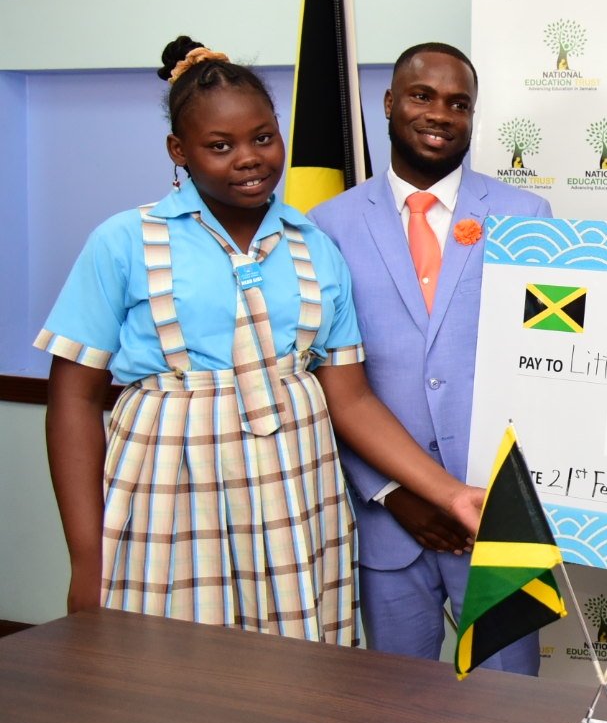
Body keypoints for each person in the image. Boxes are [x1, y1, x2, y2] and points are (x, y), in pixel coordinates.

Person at [37, 37, 483, 644]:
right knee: (160, 669)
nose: (248, 158)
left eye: (263, 138)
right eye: (219, 146)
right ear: (179, 151)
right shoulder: (124, 241)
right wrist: (87, 558)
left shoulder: (316, 246)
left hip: (295, 494)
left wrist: (452, 495)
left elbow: (350, 400)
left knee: (290, 677)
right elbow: (74, 400)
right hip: (170, 487)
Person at [308, 43, 552, 672]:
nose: (440, 113)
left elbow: (548, 366)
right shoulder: (324, 226)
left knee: (510, 709)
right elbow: (317, 382)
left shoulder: (526, 217)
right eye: (422, 96)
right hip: (386, 522)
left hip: (494, 519)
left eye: (459, 103)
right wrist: (393, 492)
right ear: (389, 104)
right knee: (395, 719)